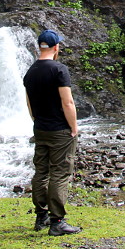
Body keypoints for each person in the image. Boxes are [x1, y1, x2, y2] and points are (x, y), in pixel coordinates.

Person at [23, 29, 82, 236]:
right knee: (59, 173)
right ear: (56, 47)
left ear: (40, 47)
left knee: (41, 171)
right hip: (59, 130)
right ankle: (57, 221)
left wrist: (37, 121)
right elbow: (68, 102)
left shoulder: (30, 72)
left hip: (40, 129)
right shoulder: (59, 70)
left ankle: (42, 216)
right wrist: (74, 128)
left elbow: (29, 104)